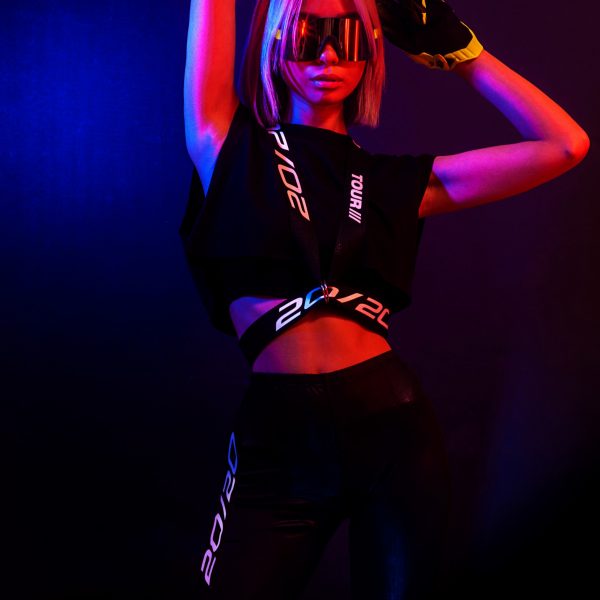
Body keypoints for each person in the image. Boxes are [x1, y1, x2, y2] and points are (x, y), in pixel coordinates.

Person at [179, 0, 589, 597]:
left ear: (370, 49)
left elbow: (567, 145)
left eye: (347, 37)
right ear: (275, 40)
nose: (327, 55)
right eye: (308, 34)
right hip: (279, 441)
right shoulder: (224, 143)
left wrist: (464, 55)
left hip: (392, 430)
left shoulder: (396, 183)